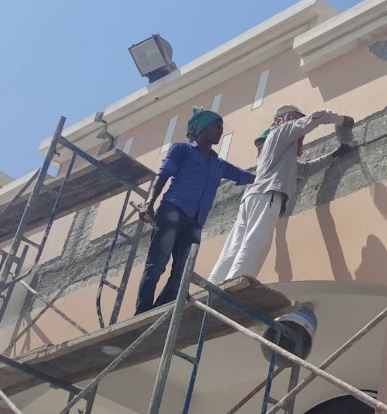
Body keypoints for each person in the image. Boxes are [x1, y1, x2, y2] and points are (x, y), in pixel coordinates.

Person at [207, 105, 354, 285]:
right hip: (268, 195)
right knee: (256, 243)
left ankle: (213, 286)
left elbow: (304, 169)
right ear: (283, 119)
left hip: (251, 198)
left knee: (233, 248)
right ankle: (234, 287)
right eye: (295, 118)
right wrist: (342, 120)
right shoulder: (281, 132)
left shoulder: (275, 148)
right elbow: (316, 117)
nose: (297, 123)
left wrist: (334, 155)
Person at [134, 107, 255, 315]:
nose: (220, 130)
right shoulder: (182, 150)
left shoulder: (218, 164)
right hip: (173, 211)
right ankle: (143, 312)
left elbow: (243, 176)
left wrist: (273, 172)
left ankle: (162, 311)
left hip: (196, 221)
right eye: (216, 126)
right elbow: (163, 175)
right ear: (201, 128)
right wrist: (149, 203)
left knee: (182, 273)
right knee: (157, 264)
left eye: (221, 127)